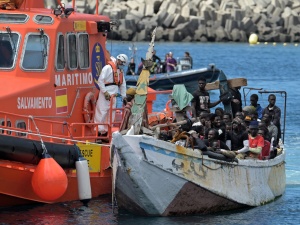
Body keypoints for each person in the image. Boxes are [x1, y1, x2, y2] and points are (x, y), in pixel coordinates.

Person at [94, 54, 128, 136]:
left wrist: (124, 97)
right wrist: (105, 92)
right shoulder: (107, 68)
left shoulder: (120, 71)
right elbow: (100, 81)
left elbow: (122, 85)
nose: (122, 65)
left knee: (111, 114)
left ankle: (106, 132)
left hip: (114, 96)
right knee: (101, 112)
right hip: (105, 94)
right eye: (122, 63)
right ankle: (98, 132)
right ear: (118, 60)